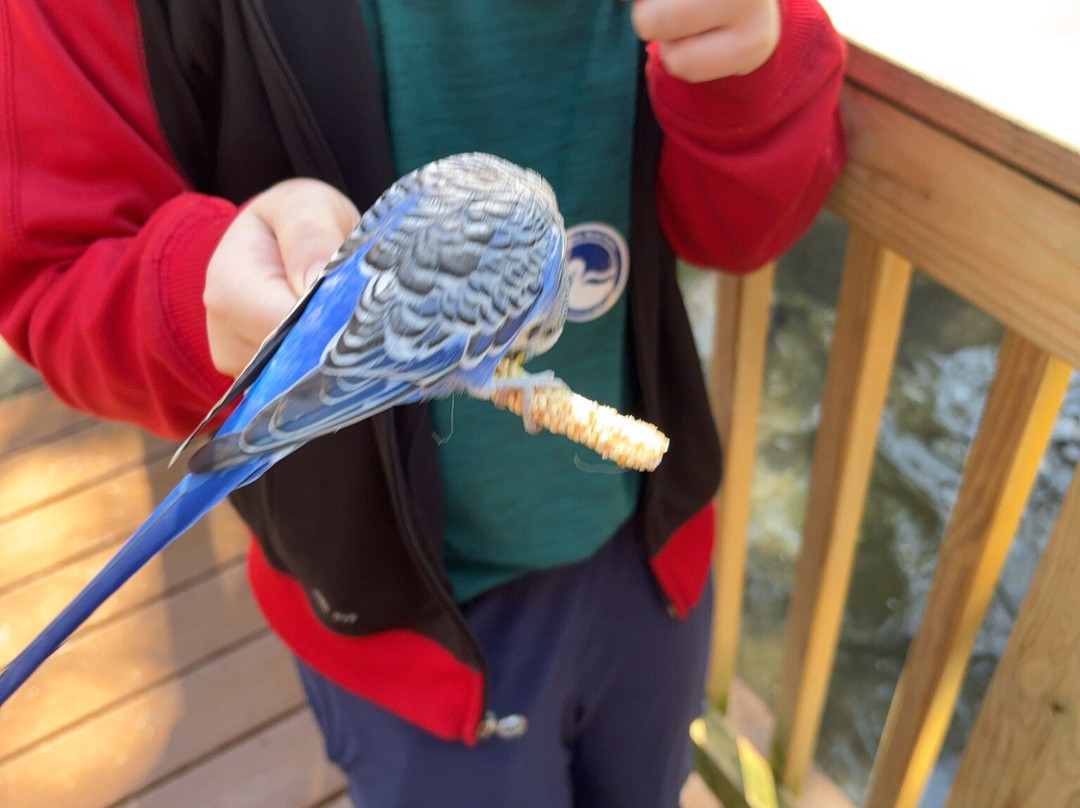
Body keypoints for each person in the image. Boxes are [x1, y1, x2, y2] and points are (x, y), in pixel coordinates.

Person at [0, 0, 846, 805]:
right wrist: (201, 289)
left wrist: (752, 76)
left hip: (644, 557)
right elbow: (57, 265)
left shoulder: (508, 230)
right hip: (388, 615)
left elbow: (747, 214)